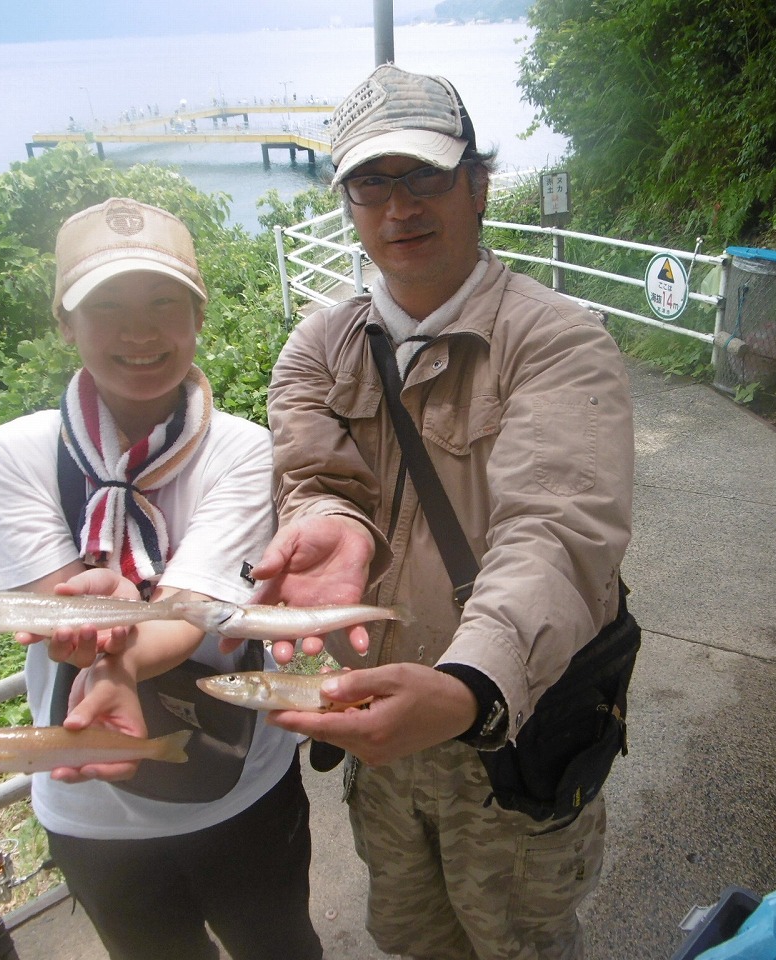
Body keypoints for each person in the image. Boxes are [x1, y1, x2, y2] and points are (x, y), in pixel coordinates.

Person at [249, 64, 635, 960]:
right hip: (384, 729)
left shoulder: (557, 343)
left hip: (515, 719)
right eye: (370, 184)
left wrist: (472, 686)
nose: (400, 208)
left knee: (522, 944)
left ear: (478, 182)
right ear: (347, 201)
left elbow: (557, 533)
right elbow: (316, 479)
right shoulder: (317, 346)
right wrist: (332, 525)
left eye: (424, 175)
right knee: (414, 937)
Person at [0, 197, 322, 960]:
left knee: (282, 948)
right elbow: (65, 622)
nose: (140, 331)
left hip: (243, 783)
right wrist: (103, 632)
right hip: (85, 797)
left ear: (198, 316)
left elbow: (194, 608)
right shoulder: (13, 454)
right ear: (64, 321)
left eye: (165, 303)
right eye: (106, 307)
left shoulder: (242, 449)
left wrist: (113, 650)